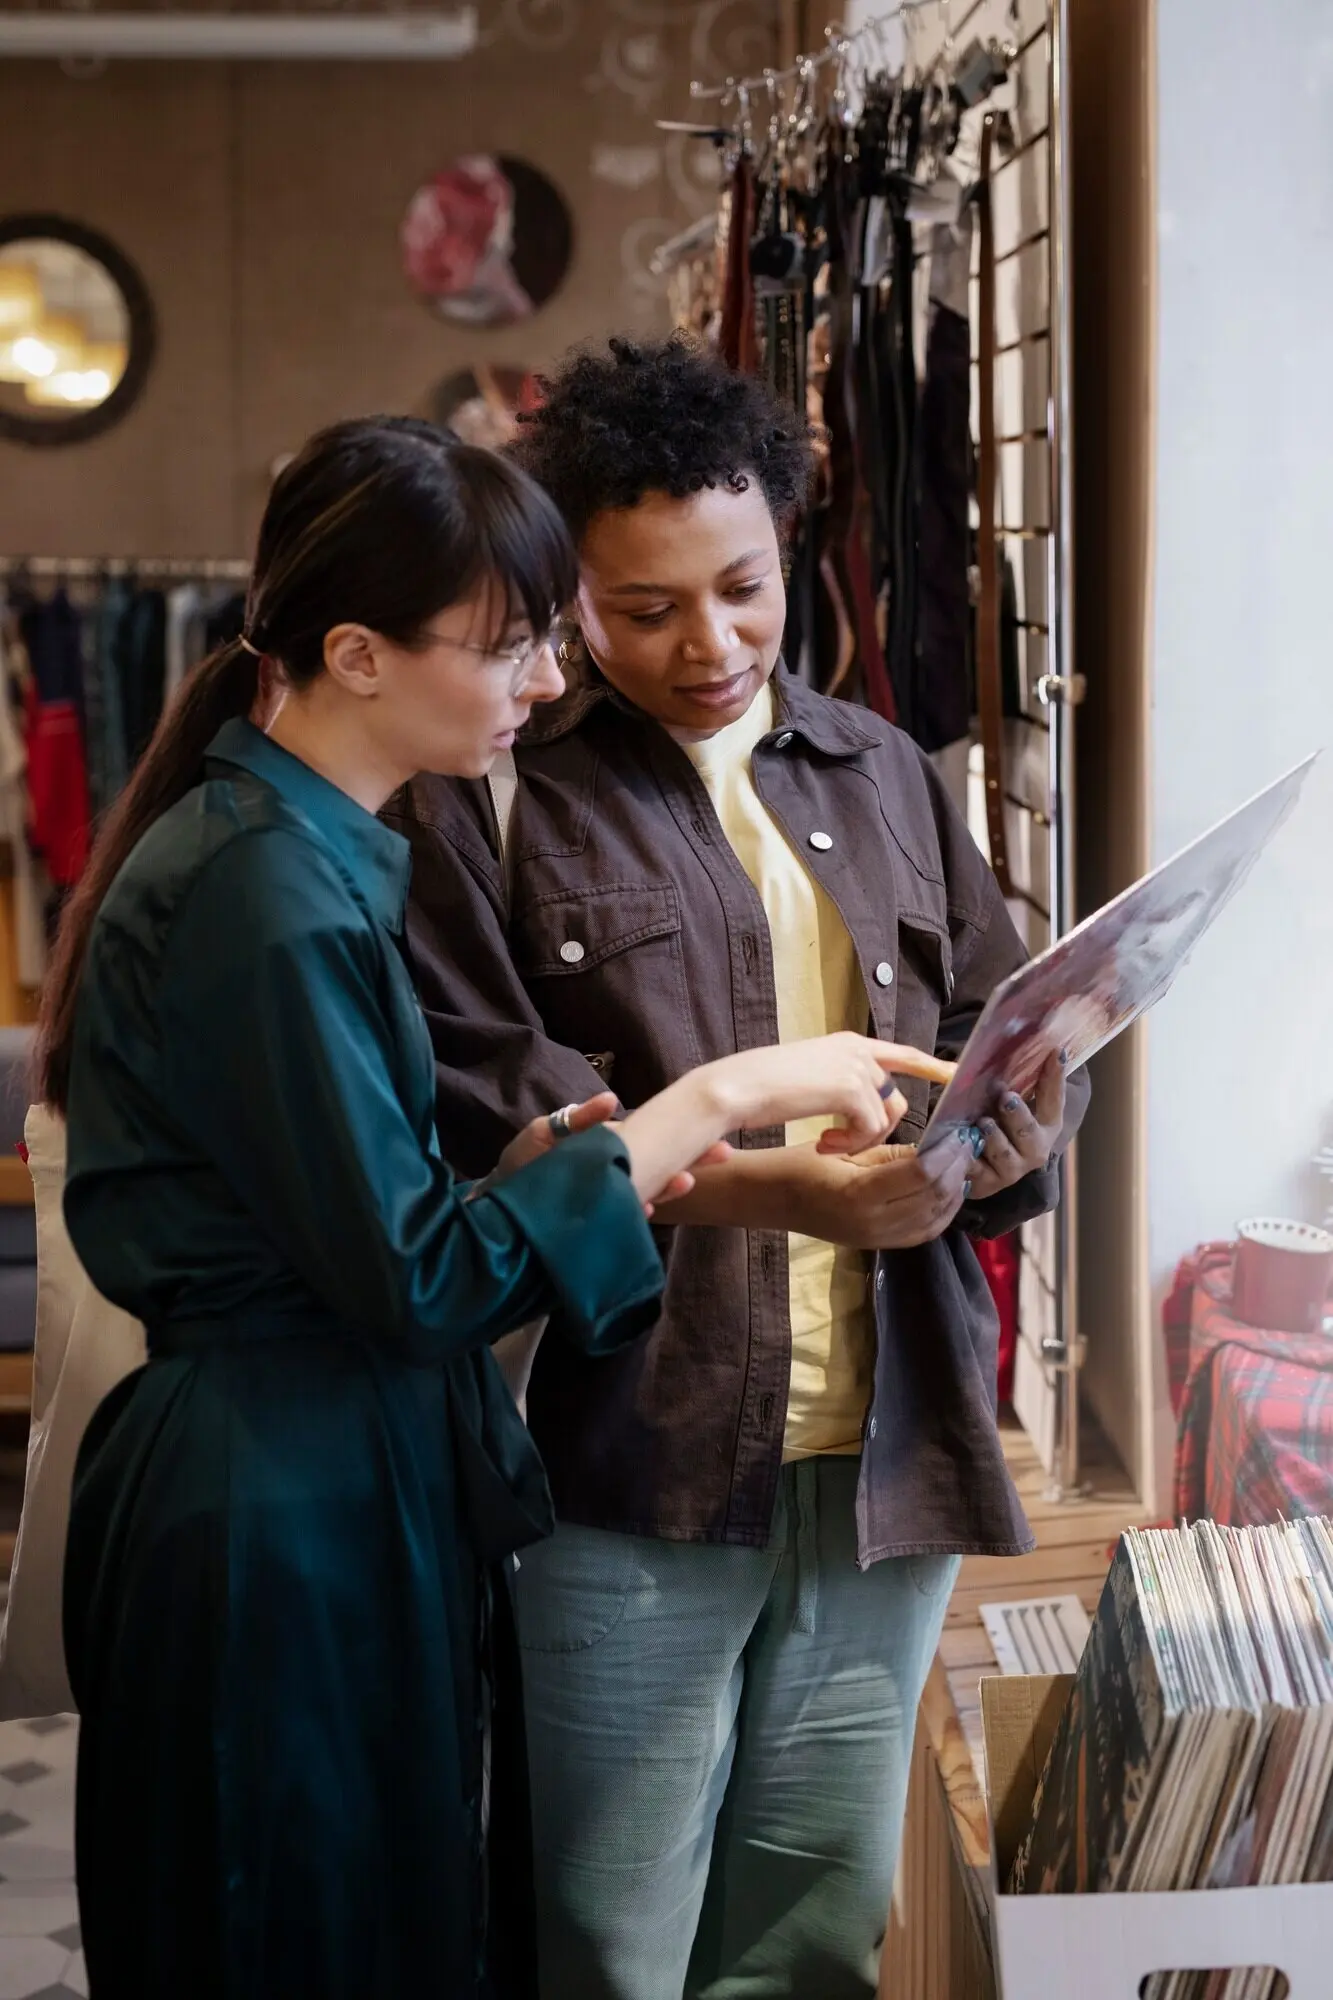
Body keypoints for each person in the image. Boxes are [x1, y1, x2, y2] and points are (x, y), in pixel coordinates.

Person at [35, 415, 918, 2000]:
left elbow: (373, 1221)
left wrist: (546, 1169)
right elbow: (421, 1277)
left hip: (326, 1476)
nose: (545, 683)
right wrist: (711, 1099)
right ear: (359, 655)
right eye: (511, 645)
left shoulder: (309, 856)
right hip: (274, 1511)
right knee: (292, 1932)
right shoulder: (264, 889)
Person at [386, 338, 1092, 2000]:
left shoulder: (885, 773)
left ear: (788, 538)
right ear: (567, 603)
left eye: (746, 589)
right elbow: (516, 1135)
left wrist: (1018, 1126)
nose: (709, 644)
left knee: (814, 1927)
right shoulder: (485, 807)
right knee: (609, 1935)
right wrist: (804, 1192)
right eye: (645, 610)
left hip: (887, 1449)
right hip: (632, 1453)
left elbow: (992, 1038)